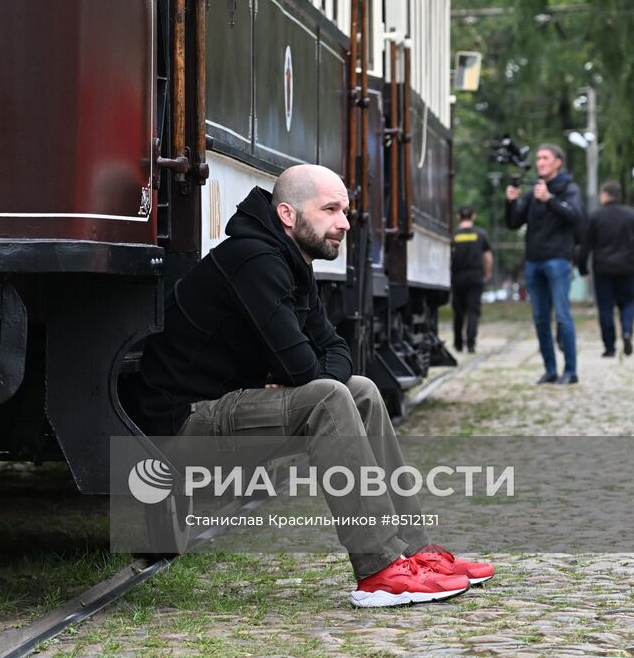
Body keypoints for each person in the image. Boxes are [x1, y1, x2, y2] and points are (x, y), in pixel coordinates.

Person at [132, 164, 493, 608]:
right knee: (328, 395)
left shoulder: (292, 262)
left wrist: (291, 377)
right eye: (330, 209)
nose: (344, 222)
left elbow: (336, 349)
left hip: (224, 413)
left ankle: (415, 551)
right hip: (179, 431)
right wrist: (296, 376)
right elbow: (305, 371)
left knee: (359, 389)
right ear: (287, 214)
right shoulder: (254, 261)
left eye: (345, 210)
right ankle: (379, 568)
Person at [505, 143, 585, 385]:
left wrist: (550, 200)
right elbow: (513, 223)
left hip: (558, 260)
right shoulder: (533, 192)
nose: (540, 162)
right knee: (540, 318)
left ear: (557, 162)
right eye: (538, 158)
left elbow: (575, 216)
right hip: (534, 261)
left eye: (545, 158)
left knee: (562, 315)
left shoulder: (568, 188)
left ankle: (570, 371)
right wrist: (510, 202)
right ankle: (550, 369)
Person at [577, 181, 634, 357]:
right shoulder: (632, 215)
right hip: (627, 268)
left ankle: (609, 347)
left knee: (605, 308)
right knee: (628, 303)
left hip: (603, 269)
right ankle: (627, 332)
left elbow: (585, 245)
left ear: (604, 195)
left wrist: (582, 268)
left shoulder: (595, 216)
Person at [450, 206, 493, 354]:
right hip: (475, 276)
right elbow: (488, 258)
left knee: (458, 311)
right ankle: (471, 343)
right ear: (473, 217)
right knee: (473, 311)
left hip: (457, 277)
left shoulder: (453, 235)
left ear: (458, 217)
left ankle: (457, 343)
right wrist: (487, 273)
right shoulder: (480, 235)